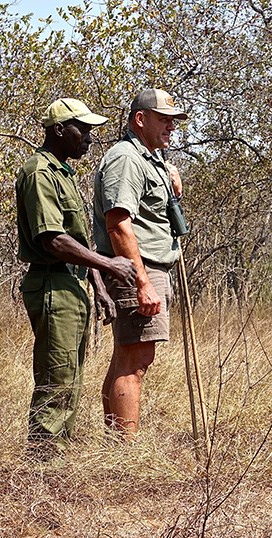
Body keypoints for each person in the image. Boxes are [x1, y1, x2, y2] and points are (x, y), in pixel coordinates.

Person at [15, 98, 137, 454]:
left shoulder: (63, 173)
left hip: (71, 284)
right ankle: (42, 462)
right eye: (81, 129)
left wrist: (98, 285)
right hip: (52, 283)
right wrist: (109, 266)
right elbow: (53, 239)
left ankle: (56, 453)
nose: (88, 137)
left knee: (70, 377)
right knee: (57, 378)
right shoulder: (40, 172)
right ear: (58, 130)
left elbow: (77, 241)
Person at [93, 88, 188, 440]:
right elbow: (118, 222)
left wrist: (170, 181)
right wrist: (141, 281)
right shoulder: (126, 158)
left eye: (172, 121)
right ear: (140, 119)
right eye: (163, 119)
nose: (171, 127)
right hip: (137, 268)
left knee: (129, 356)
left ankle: (116, 444)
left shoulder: (150, 159)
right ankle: (125, 450)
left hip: (150, 266)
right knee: (135, 361)